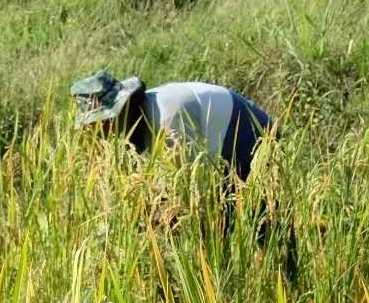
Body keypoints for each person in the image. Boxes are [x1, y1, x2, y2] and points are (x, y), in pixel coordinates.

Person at [69, 71, 293, 279]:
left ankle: (281, 284)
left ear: (123, 108)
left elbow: (194, 191)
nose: (102, 131)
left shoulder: (168, 118)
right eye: (95, 125)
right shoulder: (133, 129)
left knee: (263, 230)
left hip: (251, 136)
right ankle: (218, 287)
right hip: (216, 152)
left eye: (103, 122)